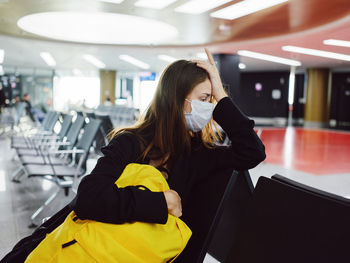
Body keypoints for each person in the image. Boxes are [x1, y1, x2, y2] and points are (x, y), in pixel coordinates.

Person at [73, 49, 266, 262]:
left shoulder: (198, 153)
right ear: (176, 99)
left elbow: (253, 151)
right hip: (110, 251)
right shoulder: (129, 142)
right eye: (204, 98)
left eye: (211, 100)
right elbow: (88, 198)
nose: (209, 107)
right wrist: (161, 201)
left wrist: (221, 96)